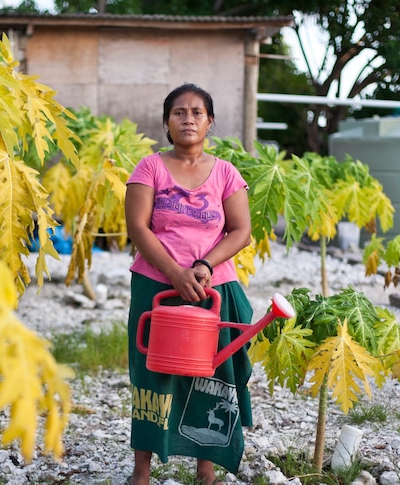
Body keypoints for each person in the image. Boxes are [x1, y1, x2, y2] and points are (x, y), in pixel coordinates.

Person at [125, 83, 253, 485]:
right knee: (153, 375)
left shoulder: (226, 172)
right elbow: (138, 229)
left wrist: (203, 265)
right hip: (156, 286)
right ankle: (142, 471)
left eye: (197, 112)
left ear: (210, 121)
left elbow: (241, 231)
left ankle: (206, 469)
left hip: (213, 287)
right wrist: (176, 274)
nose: (188, 119)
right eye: (179, 112)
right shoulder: (150, 168)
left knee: (213, 376)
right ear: (166, 122)